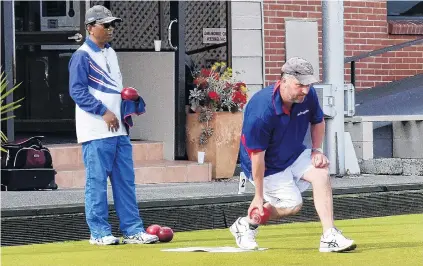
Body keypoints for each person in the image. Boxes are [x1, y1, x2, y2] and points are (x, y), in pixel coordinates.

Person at [230, 57, 356, 252]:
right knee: (293, 204)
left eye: (308, 84)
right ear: (284, 81)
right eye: (300, 85)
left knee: (321, 172)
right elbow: (257, 157)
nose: (305, 90)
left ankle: (329, 236)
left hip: (293, 153)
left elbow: (318, 121)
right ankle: (246, 224)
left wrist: (316, 150)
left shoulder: (308, 95)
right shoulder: (261, 111)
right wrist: (258, 196)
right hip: (267, 165)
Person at [68, 5, 159, 245]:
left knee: (125, 182)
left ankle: (132, 230)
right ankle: (98, 233)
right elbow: (76, 91)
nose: (111, 29)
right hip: (95, 130)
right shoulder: (81, 56)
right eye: (105, 25)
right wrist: (104, 111)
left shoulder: (111, 53)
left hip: (119, 131)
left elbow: (113, 89)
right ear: (90, 27)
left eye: (112, 24)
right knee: (96, 183)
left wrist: (130, 100)